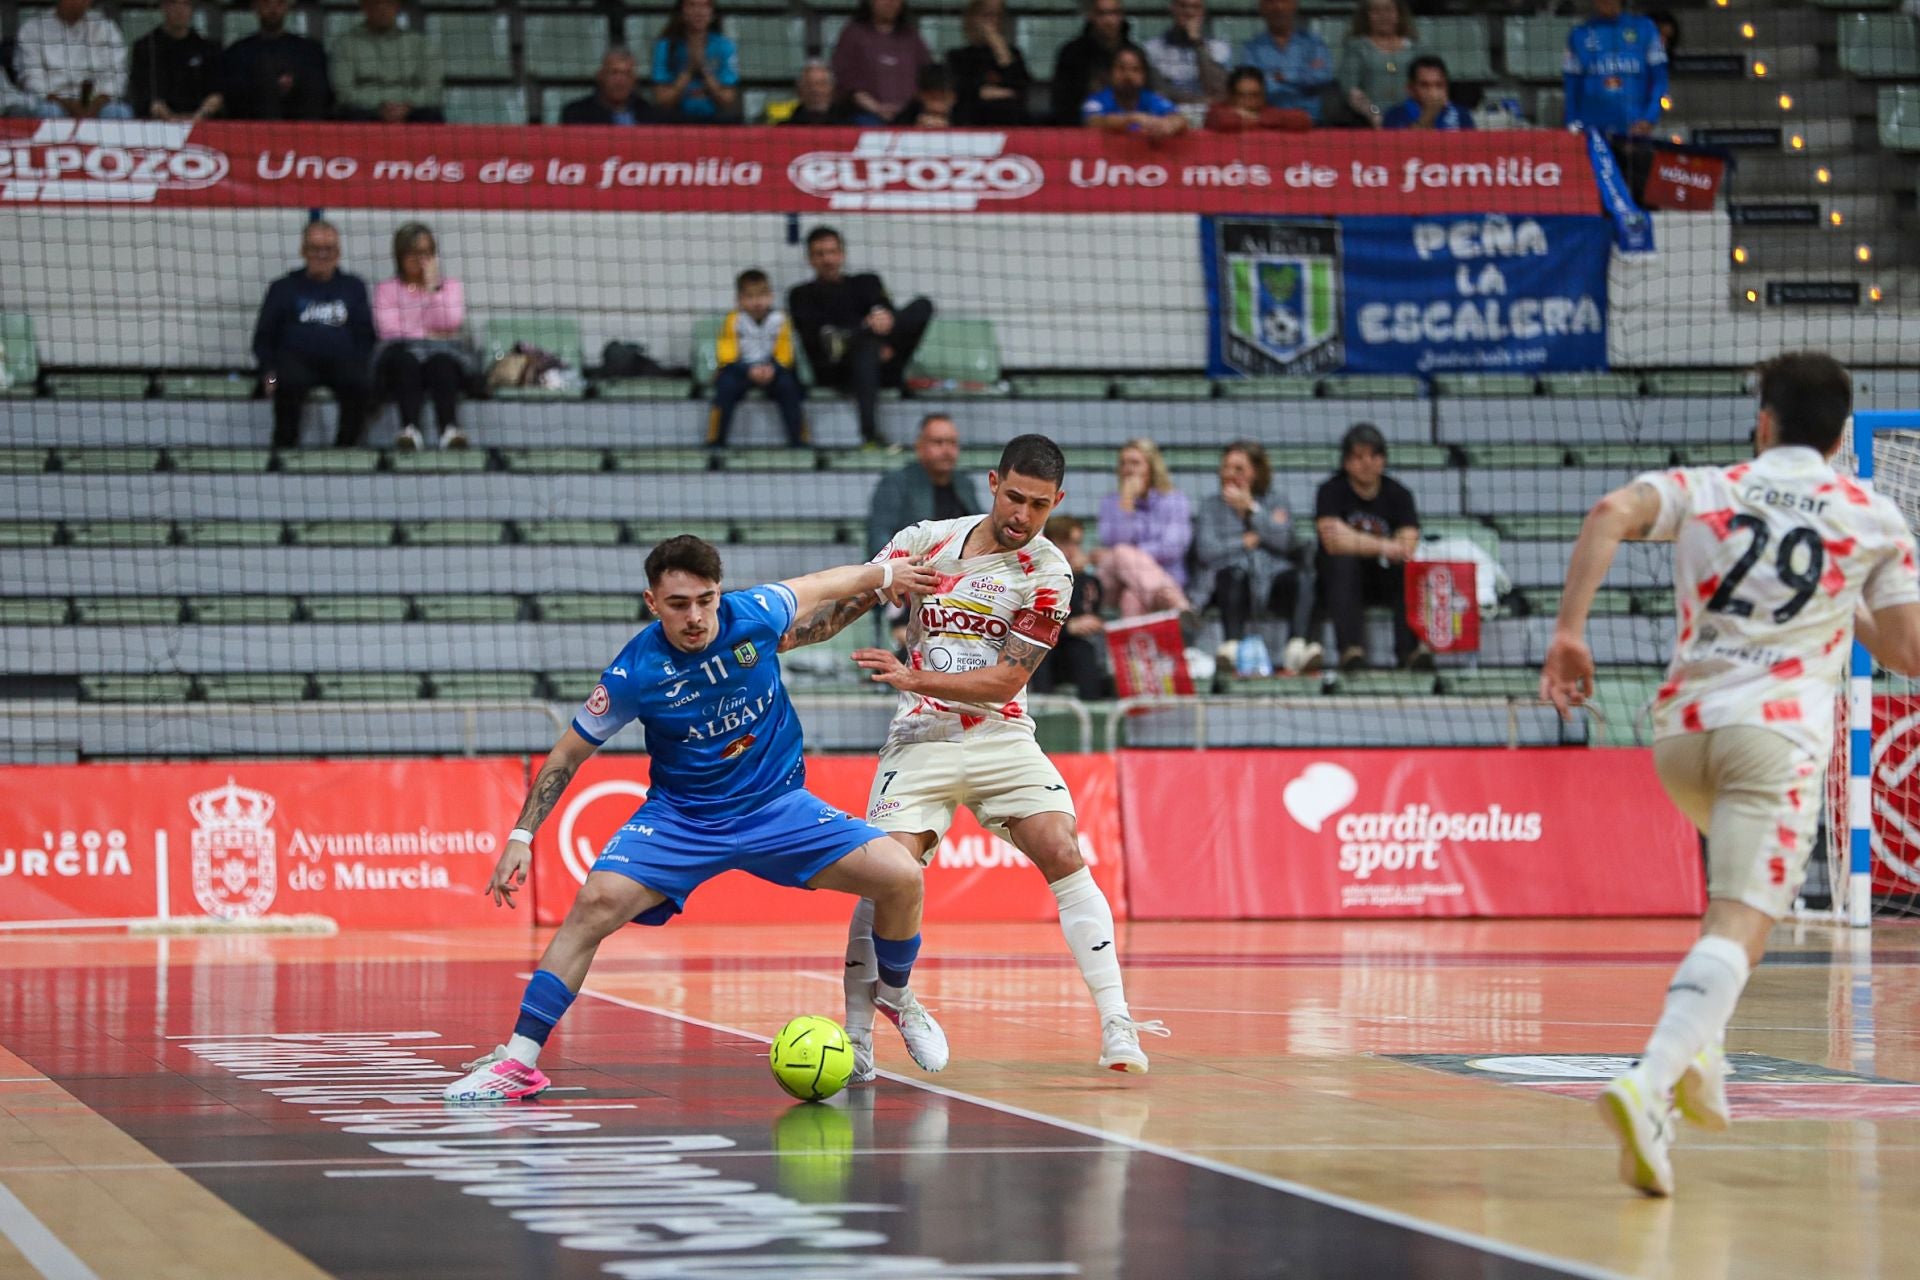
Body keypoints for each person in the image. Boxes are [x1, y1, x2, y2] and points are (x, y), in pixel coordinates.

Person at [1539, 352, 1920, 1197]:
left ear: (1765, 423)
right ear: (1844, 435)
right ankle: (1650, 1081)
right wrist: (1844, 597)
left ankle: (1702, 1058)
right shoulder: (1872, 514)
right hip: (1773, 742)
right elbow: (1906, 652)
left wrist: (1569, 633)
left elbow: (1608, 511)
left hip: (1681, 739)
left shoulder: (1708, 487)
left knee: (1725, 914)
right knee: (1745, 924)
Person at [443, 536, 952, 1102]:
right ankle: (519, 1061)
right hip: (683, 819)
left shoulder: (755, 611)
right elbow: (567, 754)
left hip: (778, 807)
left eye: (706, 600)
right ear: (652, 602)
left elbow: (828, 584)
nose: (696, 617)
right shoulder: (635, 672)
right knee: (592, 906)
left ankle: (895, 997)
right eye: (679, 603)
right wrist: (521, 836)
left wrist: (887, 576)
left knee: (903, 876)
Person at [779, 435, 1169, 1077]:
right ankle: (858, 1037)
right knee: (885, 874)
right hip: (921, 739)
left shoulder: (1049, 572)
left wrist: (911, 677)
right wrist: (771, 643)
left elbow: (1004, 682)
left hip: (1001, 735)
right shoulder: (924, 539)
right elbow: (844, 609)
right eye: (1014, 497)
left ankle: (1117, 1024)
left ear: (1057, 503)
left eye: (1038, 505)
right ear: (993, 482)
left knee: (1063, 849)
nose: (1022, 514)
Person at [788, 226, 935, 449]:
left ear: (842, 254)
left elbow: (886, 314)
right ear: (810, 259)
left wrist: (885, 322)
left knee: (922, 306)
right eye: (820, 253)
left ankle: (851, 338)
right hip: (837, 371)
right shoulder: (801, 295)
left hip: (885, 362)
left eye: (832, 252)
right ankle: (870, 435)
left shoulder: (866, 282)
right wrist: (866, 329)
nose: (827, 259)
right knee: (864, 347)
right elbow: (815, 340)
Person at [1193, 440, 1319, 673]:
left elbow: (1285, 540)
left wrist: (1252, 509)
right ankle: (1232, 647)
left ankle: (1297, 647)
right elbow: (1206, 551)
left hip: (1273, 581)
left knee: (1303, 578)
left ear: (1257, 472)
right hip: (1233, 586)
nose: (1230, 474)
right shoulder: (1210, 506)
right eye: (1226, 468)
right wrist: (1244, 542)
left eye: (1239, 469)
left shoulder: (1275, 501)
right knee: (1233, 575)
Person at [251, 220, 374, 449]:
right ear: (303, 251)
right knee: (285, 384)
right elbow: (264, 338)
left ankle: (347, 449)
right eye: (315, 249)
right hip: (294, 364)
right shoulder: (283, 288)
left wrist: (361, 364)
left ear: (338, 253)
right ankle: (285, 449)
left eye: (328, 249)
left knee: (360, 383)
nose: (322, 255)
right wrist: (269, 376)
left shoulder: (353, 287)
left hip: (342, 362)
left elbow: (365, 336)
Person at [1313, 422, 1424, 671]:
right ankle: (1351, 651)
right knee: (1343, 563)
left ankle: (1410, 653)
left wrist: (1354, 540)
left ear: (1383, 459)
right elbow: (1333, 542)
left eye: (1374, 456)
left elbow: (1407, 545)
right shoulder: (1331, 491)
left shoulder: (1399, 494)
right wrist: (1385, 545)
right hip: (1338, 582)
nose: (1367, 463)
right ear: (1346, 461)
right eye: (1358, 457)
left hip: (1382, 579)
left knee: (1406, 569)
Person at [372, 222, 472, 452]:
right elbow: (388, 330)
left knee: (442, 364)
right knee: (406, 363)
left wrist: (433, 289)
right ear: (400, 256)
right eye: (413, 253)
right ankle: (410, 429)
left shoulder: (449, 287)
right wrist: (429, 334)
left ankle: (449, 430)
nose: (420, 259)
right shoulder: (387, 289)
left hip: (440, 355)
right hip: (402, 356)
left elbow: (452, 321)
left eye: (426, 252)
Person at [709, 268, 807, 449]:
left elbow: (785, 353)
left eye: (762, 295)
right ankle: (716, 439)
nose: (757, 302)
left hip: (772, 369)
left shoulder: (780, 319)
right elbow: (727, 354)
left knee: (790, 387)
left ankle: (799, 440)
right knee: (725, 387)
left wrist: (773, 368)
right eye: (750, 296)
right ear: (739, 299)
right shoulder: (734, 320)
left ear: (770, 296)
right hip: (741, 369)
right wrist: (748, 369)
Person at [1096, 437, 1194, 618]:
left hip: (1165, 575)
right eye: (1123, 463)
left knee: (1131, 598)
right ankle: (1178, 606)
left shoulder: (1174, 499)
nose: (1128, 469)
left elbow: (1173, 547)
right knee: (1120, 553)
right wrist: (1126, 505)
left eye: (1135, 463)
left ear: (1151, 468)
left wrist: (1132, 554)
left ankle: (1141, 645)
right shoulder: (1110, 502)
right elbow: (1111, 541)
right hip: (1118, 581)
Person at [867, 414, 981, 558]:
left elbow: (979, 528)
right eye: (938, 442)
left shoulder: (964, 483)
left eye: (952, 443)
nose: (947, 450)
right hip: (907, 569)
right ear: (920, 447)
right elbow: (879, 538)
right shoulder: (895, 483)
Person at [1029, 513, 1111, 701]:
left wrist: (1078, 578)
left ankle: (1092, 713)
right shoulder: (1036, 575)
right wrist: (1068, 627)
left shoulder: (1087, 580)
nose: (1073, 550)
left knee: (1083, 650)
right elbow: (1031, 621)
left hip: (1071, 651)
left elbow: (1087, 615)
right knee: (1040, 649)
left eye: (1077, 544)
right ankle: (1043, 711)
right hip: (1043, 648)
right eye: (1067, 543)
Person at [1563, 0, 1666, 140]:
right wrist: (1572, 124)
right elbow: (1571, 86)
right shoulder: (1579, 34)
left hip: (1635, 132)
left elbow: (1659, 80)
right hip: (1591, 133)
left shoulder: (1645, 28)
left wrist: (1649, 118)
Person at [329, 0, 444, 123]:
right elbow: (345, 92)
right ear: (364, 6)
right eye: (376, 3)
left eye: (388, 3)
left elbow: (432, 90)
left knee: (430, 116)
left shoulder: (421, 44)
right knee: (351, 115)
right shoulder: (345, 44)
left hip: (413, 112)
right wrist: (381, 106)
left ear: (397, 6)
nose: (382, 8)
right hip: (366, 112)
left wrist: (405, 106)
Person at [15, 0, 132, 119]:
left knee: (119, 113)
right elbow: (32, 80)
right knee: (48, 112)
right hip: (51, 102)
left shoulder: (106, 28)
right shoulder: (32, 28)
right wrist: (68, 104)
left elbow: (117, 77)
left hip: (97, 104)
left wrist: (96, 104)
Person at [215, 0, 330, 121]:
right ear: (255, 7)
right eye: (266, 3)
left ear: (287, 7)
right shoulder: (238, 52)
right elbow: (233, 96)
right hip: (252, 126)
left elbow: (320, 95)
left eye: (279, 3)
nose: (273, 9)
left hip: (301, 127)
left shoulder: (309, 51)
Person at [830, 0, 932, 125]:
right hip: (863, 118)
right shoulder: (853, 34)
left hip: (909, 119)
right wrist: (876, 108)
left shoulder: (911, 36)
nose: (890, 3)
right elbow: (845, 79)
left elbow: (927, 75)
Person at [1239, 0, 1333, 122]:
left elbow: (1323, 77)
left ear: (1295, 4)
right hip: (1269, 122)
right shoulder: (1251, 49)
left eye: (1285, 1)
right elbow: (1253, 86)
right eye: (1271, 2)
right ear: (1261, 8)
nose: (1279, 7)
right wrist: (1303, 77)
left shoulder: (1314, 43)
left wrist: (1286, 77)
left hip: (1312, 121)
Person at [129, 0, 222, 120]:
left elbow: (217, 94)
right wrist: (168, 116)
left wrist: (198, 116)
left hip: (201, 125)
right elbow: (142, 93)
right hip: (158, 124)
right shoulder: (145, 47)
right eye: (173, 3)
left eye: (185, 3)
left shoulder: (208, 49)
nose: (179, 9)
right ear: (163, 6)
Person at [651, 0, 740, 123]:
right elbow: (663, 100)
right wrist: (688, 70)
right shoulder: (665, 47)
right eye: (692, 5)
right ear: (682, 11)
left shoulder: (725, 46)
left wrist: (704, 69)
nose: (698, 12)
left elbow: (727, 100)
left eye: (705, 5)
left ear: (712, 12)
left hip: (715, 122)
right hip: (676, 123)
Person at [946, 0, 1029, 127]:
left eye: (996, 15)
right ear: (972, 18)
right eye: (986, 15)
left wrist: (1000, 49)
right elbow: (959, 91)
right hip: (971, 123)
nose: (991, 21)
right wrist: (981, 92)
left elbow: (1021, 86)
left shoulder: (1013, 54)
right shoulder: (958, 56)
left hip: (1010, 123)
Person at [1338, 0, 1418, 128]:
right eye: (1376, 11)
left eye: (1388, 9)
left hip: (1412, 121)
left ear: (1398, 14)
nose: (1383, 16)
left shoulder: (1415, 48)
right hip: (1369, 121)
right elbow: (1351, 91)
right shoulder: (1357, 47)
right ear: (1366, 16)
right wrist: (1374, 114)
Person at [1049, 0, 1130, 126]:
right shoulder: (1072, 54)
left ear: (1121, 16)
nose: (1108, 21)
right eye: (1102, 14)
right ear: (1091, 16)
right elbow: (1062, 103)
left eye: (1114, 13)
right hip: (1081, 131)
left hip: (1128, 130)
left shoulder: (1133, 54)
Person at [1142, 0, 1229, 110]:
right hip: (1166, 114)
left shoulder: (1219, 48)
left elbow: (1219, 90)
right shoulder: (1152, 49)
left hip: (1208, 117)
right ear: (1172, 8)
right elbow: (1158, 91)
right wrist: (1200, 100)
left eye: (1195, 7)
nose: (1189, 12)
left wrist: (1198, 44)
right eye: (1183, 6)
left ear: (1203, 12)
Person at [1082, 44, 1185, 137]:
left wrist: (1169, 125)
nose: (1128, 76)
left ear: (1144, 75)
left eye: (1135, 69)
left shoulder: (1151, 99)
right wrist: (1130, 119)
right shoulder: (1097, 101)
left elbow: (1179, 119)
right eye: (1121, 68)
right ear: (1110, 73)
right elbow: (1093, 121)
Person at [560, 48, 656, 124]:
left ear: (635, 79)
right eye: (614, 72)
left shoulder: (650, 115)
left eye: (627, 74)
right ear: (600, 76)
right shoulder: (576, 114)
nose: (620, 81)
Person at [1205, 65, 1311, 131]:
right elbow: (1220, 120)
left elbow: (1303, 119)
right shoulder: (1218, 110)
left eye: (1255, 95)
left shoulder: (1267, 111)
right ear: (1231, 95)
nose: (1250, 101)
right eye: (1243, 95)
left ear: (1263, 94)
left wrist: (1256, 118)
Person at [1381, 54, 1471, 130]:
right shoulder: (1394, 116)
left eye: (1439, 85)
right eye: (1424, 85)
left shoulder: (1461, 114)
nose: (1432, 91)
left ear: (1446, 86)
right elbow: (1401, 148)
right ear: (1410, 88)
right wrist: (1428, 116)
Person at [775, 60, 856, 125]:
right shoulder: (785, 128)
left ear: (832, 89)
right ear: (799, 90)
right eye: (809, 84)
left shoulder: (849, 127)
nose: (815, 90)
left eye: (821, 84)